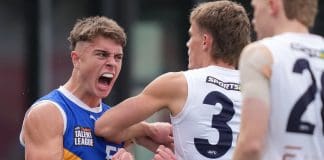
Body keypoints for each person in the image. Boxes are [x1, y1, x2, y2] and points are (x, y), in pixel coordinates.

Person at [95, 1, 251, 159]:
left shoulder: (178, 84)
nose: (188, 43)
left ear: (205, 41)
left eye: (191, 35)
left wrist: (149, 130)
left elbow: (105, 126)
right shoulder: (258, 90)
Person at [19, 16, 172, 160]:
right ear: (76, 59)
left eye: (118, 57)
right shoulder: (48, 112)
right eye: (102, 55)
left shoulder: (117, 124)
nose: (112, 63)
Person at [233, 0, 324, 160]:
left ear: (273, 5)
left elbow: (251, 145)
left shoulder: (261, 53)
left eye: (255, 9)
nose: (253, 20)